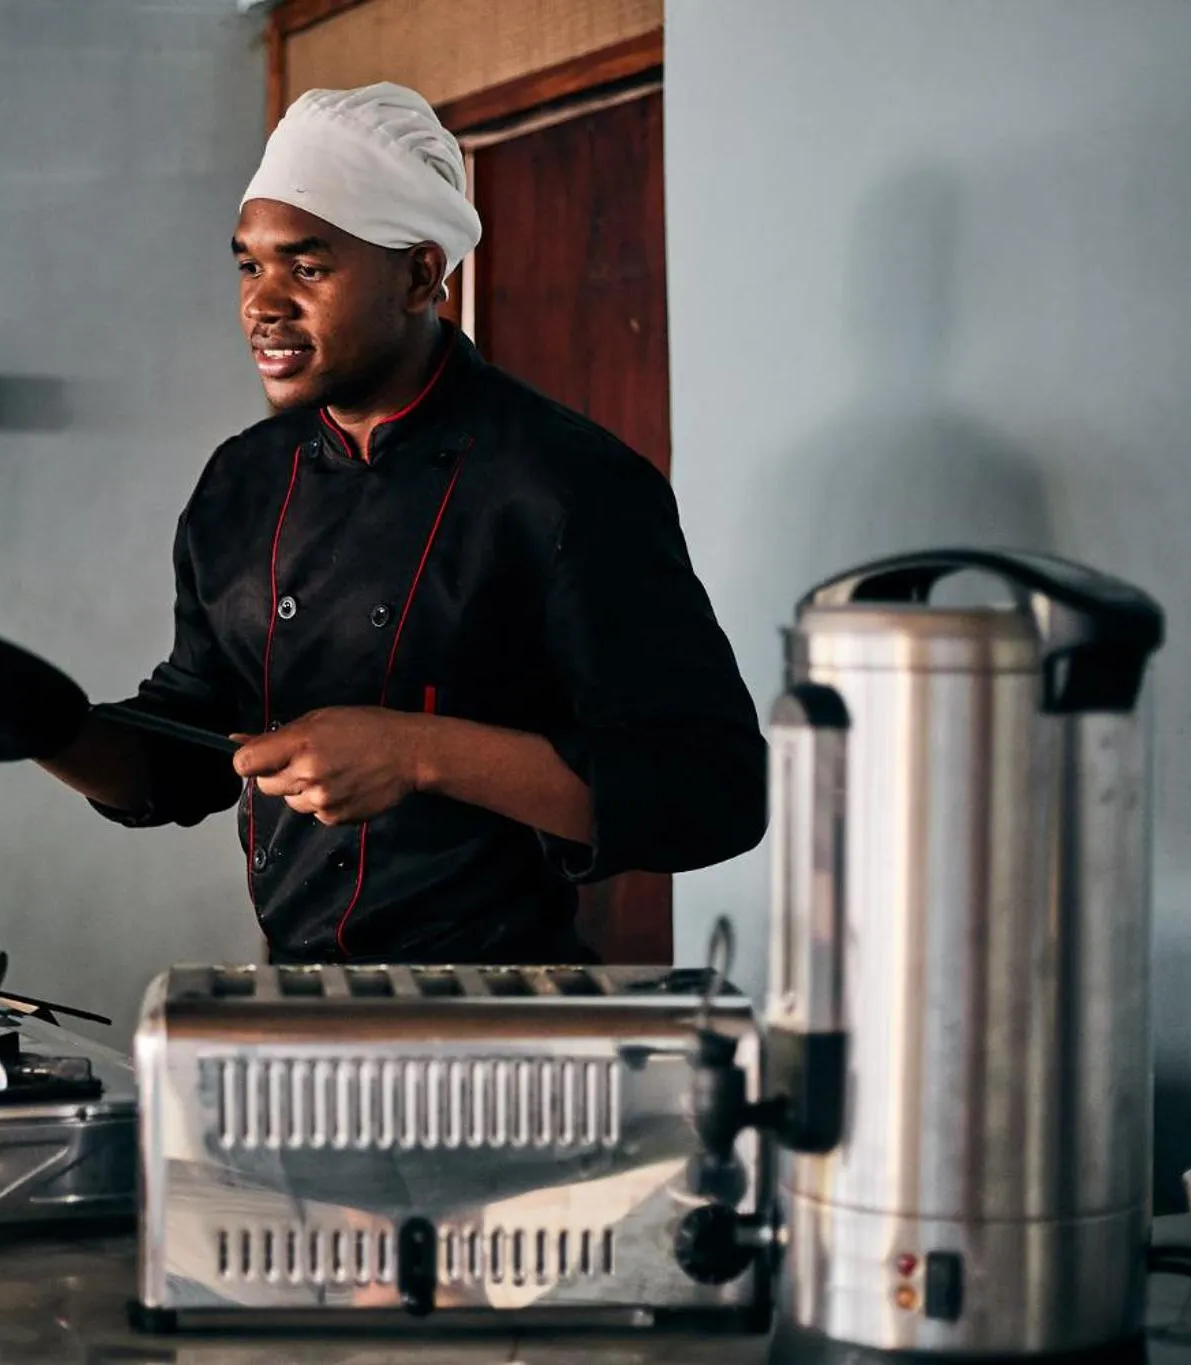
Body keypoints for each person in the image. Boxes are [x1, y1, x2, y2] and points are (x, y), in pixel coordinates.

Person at [41, 83, 764, 964]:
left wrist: (420, 752)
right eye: (248, 265)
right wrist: (30, 721)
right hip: (300, 1012)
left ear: (421, 274)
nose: (262, 303)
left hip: (502, 1023)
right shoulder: (242, 482)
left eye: (306, 267)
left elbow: (715, 789)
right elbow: (184, 748)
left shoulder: (566, 484)